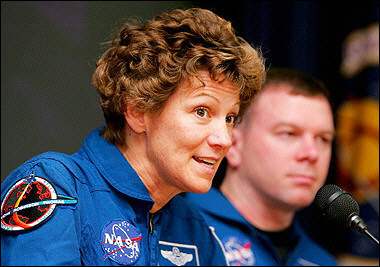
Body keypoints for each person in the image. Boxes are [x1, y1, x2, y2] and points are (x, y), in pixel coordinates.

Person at [1, 8, 265, 266]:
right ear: (137, 111)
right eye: (201, 111)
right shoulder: (55, 187)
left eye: (229, 118)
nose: (224, 139)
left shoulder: (193, 229)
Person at [185, 67, 338, 266]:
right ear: (234, 145)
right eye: (289, 133)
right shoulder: (179, 225)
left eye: (323, 139)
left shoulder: (322, 261)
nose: (312, 153)